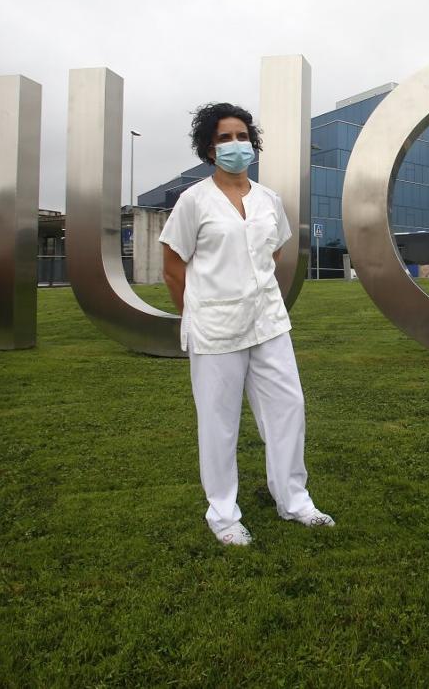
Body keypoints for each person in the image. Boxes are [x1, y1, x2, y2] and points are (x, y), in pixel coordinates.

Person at [160, 102, 334, 547]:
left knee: (288, 410)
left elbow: (272, 253)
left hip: (269, 323)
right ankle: (223, 514)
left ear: (252, 143)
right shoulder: (193, 202)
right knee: (218, 424)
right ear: (208, 148)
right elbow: (173, 267)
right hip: (215, 330)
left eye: (241, 136)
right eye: (223, 138)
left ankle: (294, 500)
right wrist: (194, 312)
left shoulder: (268, 199)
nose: (234, 145)